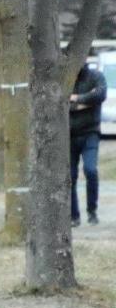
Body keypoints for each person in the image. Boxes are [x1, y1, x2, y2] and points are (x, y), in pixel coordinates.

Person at [70, 62, 108, 227]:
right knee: (69, 177)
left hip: (90, 132)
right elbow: (60, 102)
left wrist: (76, 99)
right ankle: (74, 216)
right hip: (69, 135)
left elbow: (100, 95)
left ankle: (92, 211)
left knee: (90, 170)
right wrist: (88, 101)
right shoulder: (66, 79)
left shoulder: (95, 76)